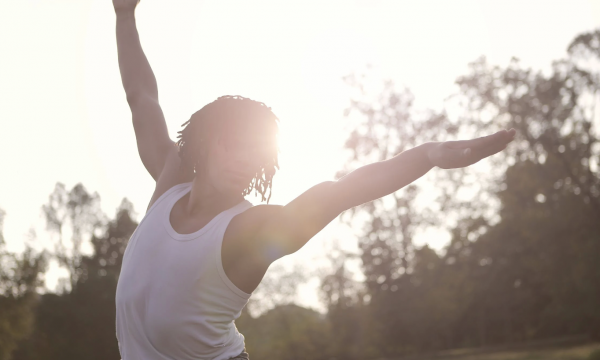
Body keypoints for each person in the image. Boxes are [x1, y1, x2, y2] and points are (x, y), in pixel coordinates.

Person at [112, 1, 516, 359]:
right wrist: (124, 14)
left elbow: (342, 192)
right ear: (201, 144)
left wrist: (427, 155)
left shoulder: (247, 230)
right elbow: (141, 99)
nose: (243, 163)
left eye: (255, 156)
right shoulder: (169, 186)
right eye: (233, 146)